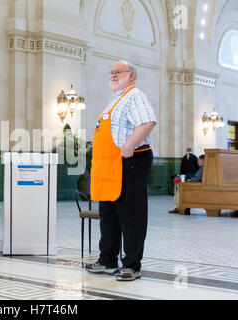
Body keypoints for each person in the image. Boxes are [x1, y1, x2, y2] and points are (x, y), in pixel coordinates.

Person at [85, 60, 157, 281]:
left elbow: (147, 122)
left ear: (131, 76)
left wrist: (129, 144)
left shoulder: (135, 96)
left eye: (119, 72)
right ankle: (107, 259)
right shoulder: (115, 100)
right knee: (109, 216)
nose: (113, 75)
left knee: (131, 216)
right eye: (112, 72)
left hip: (131, 162)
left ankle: (132, 265)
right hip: (109, 166)